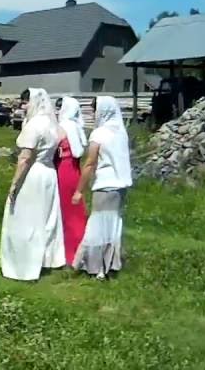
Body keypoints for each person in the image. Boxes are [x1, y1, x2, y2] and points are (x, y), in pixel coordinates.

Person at [0, 88, 66, 280]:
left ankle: (23, 265)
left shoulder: (34, 125)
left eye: (26, 102)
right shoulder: (53, 125)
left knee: (25, 218)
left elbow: (25, 159)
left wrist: (14, 185)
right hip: (49, 173)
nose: (23, 106)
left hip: (34, 174)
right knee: (46, 218)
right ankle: (45, 260)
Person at [72, 96, 133, 278]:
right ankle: (110, 264)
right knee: (112, 225)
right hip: (120, 186)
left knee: (97, 226)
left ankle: (95, 267)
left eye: (94, 109)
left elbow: (90, 163)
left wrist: (78, 190)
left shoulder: (99, 134)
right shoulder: (121, 132)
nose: (92, 113)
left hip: (105, 184)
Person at [56, 96, 89, 266]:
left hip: (63, 168)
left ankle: (69, 253)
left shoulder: (63, 127)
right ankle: (81, 249)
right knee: (76, 210)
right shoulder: (77, 127)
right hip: (75, 169)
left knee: (65, 211)